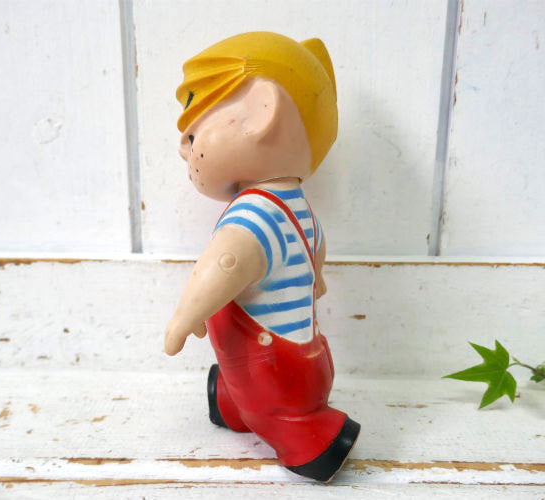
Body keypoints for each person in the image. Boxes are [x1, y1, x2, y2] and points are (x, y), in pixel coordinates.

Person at [164, 32, 360, 482]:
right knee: (243, 388)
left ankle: (312, 438)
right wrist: (317, 280)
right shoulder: (298, 207)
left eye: (193, 133)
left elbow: (223, 265)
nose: (183, 149)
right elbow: (316, 254)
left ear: (260, 112)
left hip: (272, 374)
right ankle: (230, 401)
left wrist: (183, 318)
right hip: (303, 359)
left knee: (270, 407)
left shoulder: (254, 212)